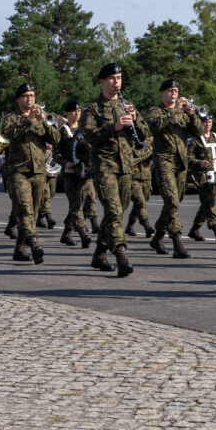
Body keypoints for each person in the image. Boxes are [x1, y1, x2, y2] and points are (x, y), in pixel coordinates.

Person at [80, 62, 148, 276]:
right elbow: (88, 135)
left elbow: (145, 135)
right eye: (111, 78)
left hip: (126, 166)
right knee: (113, 210)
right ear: (102, 81)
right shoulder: (92, 108)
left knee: (117, 212)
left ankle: (99, 253)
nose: (116, 82)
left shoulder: (126, 105)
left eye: (119, 78)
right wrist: (114, 127)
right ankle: (121, 254)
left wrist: (135, 120)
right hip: (105, 165)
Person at [1, 83, 60, 263]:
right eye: (26, 96)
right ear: (18, 99)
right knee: (25, 209)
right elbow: (8, 134)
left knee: (31, 212)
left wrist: (45, 122)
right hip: (19, 171)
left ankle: (20, 247)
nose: (30, 99)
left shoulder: (42, 118)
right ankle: (34, 244)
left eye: (32, 96)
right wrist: (29, 121)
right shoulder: (11, 118)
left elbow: (56, 138)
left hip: (39, 172)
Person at [145, 79, 203, 258]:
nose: (173, 94)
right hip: (164, 162)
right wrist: (175, 110)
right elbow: (155, 125)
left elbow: (199, 132)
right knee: (172, 201)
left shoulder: (184, 113)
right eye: (170, 91)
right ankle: (177, 241)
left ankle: (158, 236)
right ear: (162, 92)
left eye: (176, 91)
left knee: (174, 202)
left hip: (181, 163)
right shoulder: (155, 111)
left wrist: (192, 114)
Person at [187, 114, 216, 245]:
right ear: (200, 123)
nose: (208, 124)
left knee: (207, 204)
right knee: (210, 203)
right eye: (205, 122)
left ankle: (195, 229)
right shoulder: (196, 140)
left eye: (209, 122)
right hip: (202, 177)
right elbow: (188, 158)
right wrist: (199, 163)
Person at [58, 101, 96, 248]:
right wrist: (65, 162)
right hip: (70, 174)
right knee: (75, 204)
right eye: (73, 111)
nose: (77, 113)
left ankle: (66, 233)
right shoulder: (63, 131)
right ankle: (83, 233)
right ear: (67, 113)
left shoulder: (84, 130)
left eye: (79, 111)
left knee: (82, 204)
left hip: (85, 174)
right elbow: (56, 153)